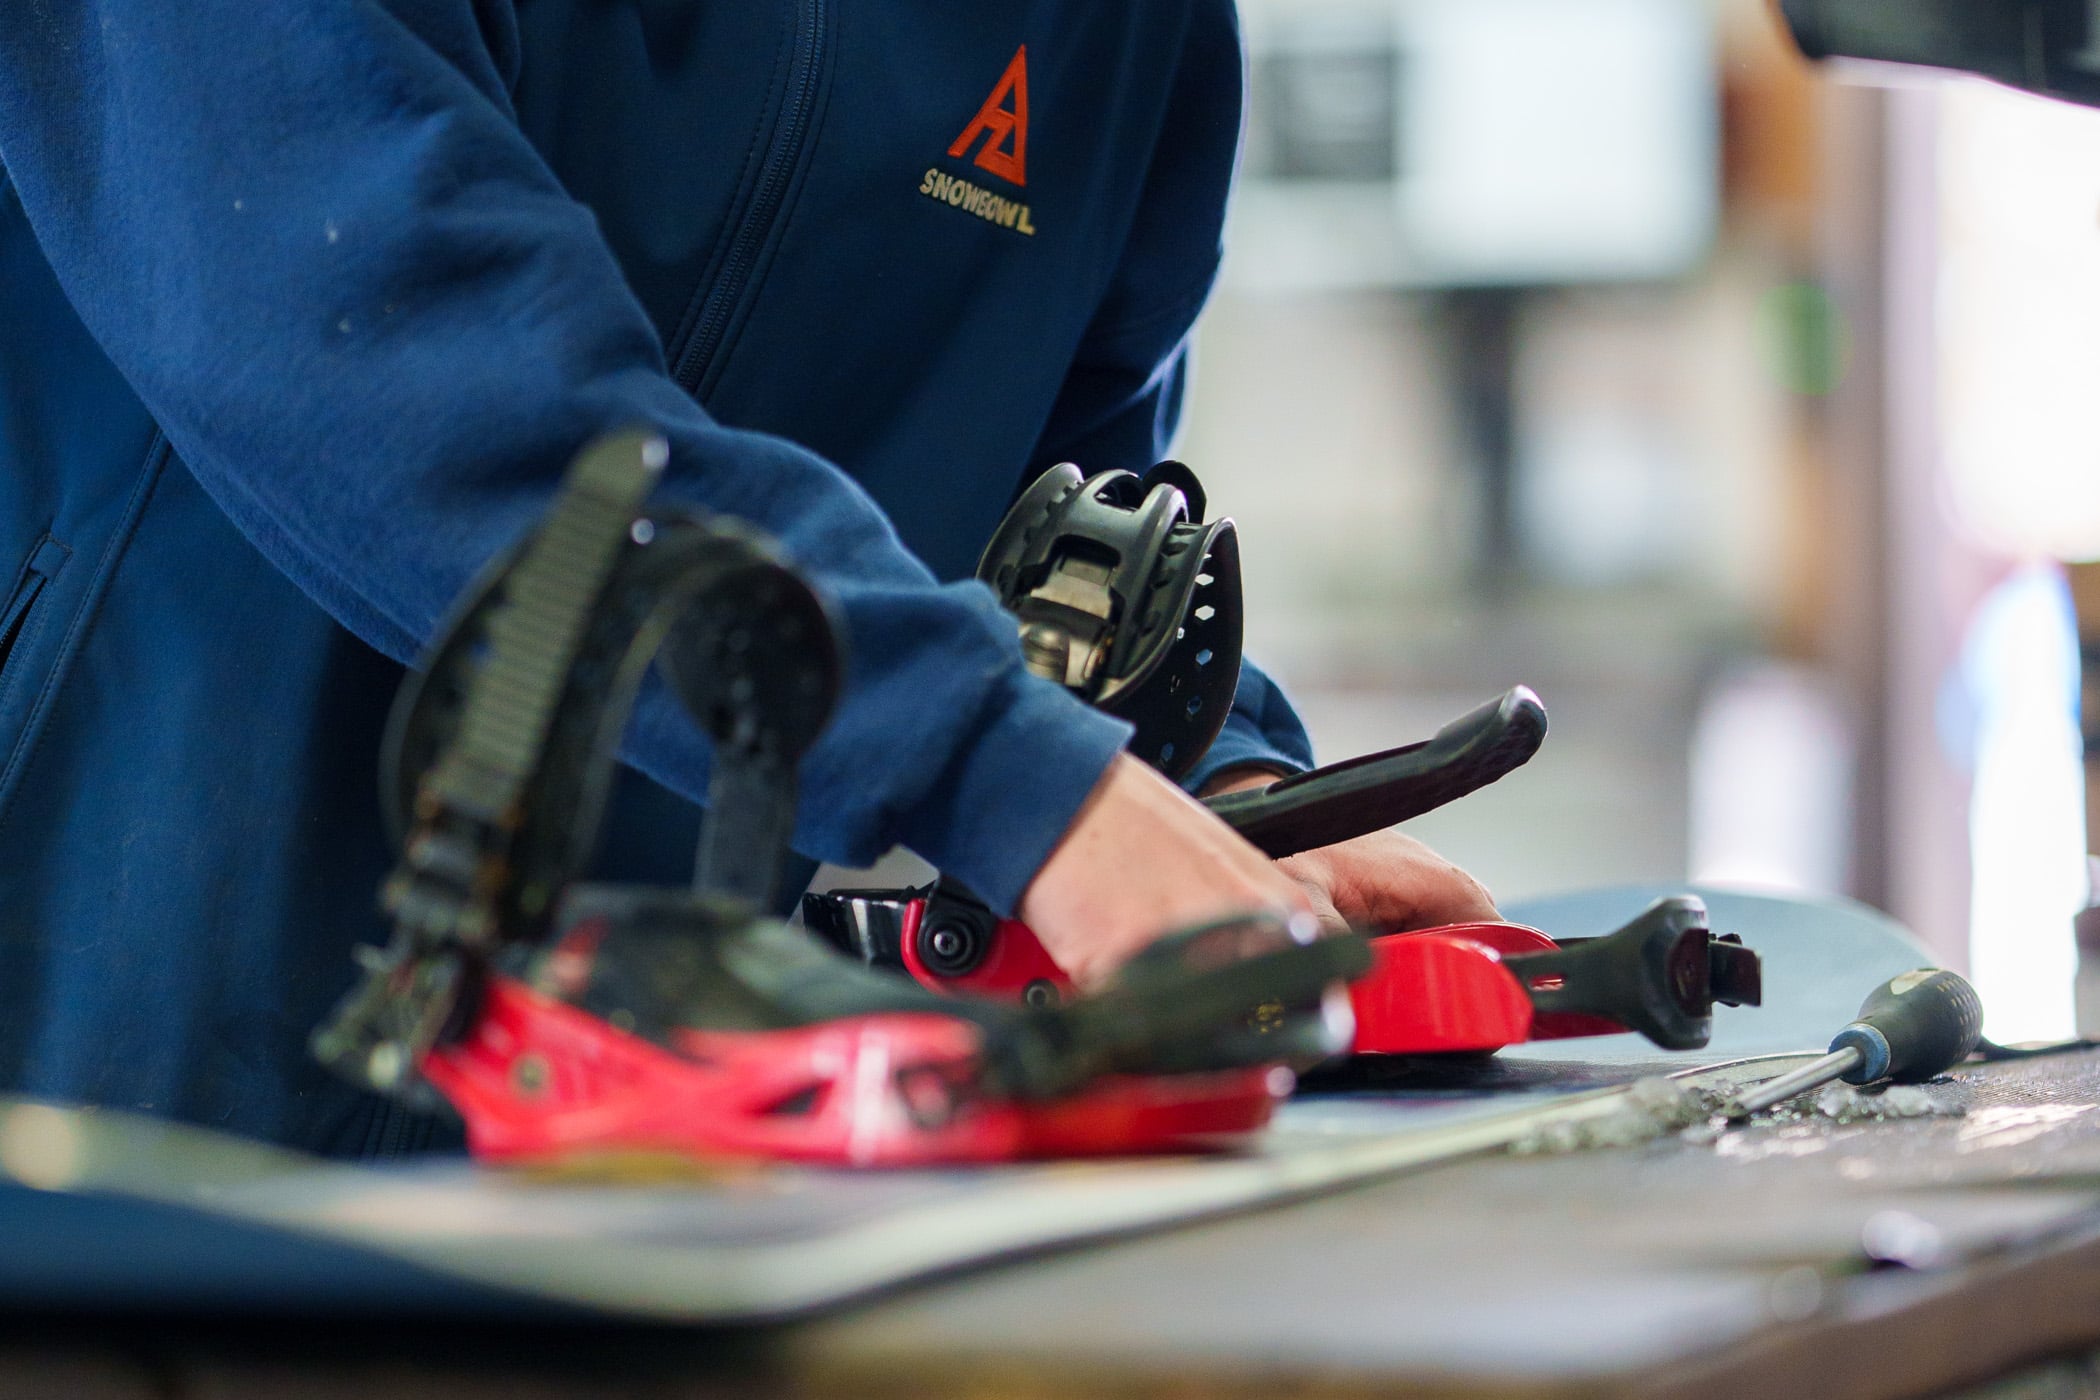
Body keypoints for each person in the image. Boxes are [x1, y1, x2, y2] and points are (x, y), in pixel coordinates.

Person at [0, 1, 1494, 1155]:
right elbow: (361, 331)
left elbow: (1038, 494)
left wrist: (1189, 792)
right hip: (107, 1029)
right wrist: (1019, 783)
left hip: (655, 1133)